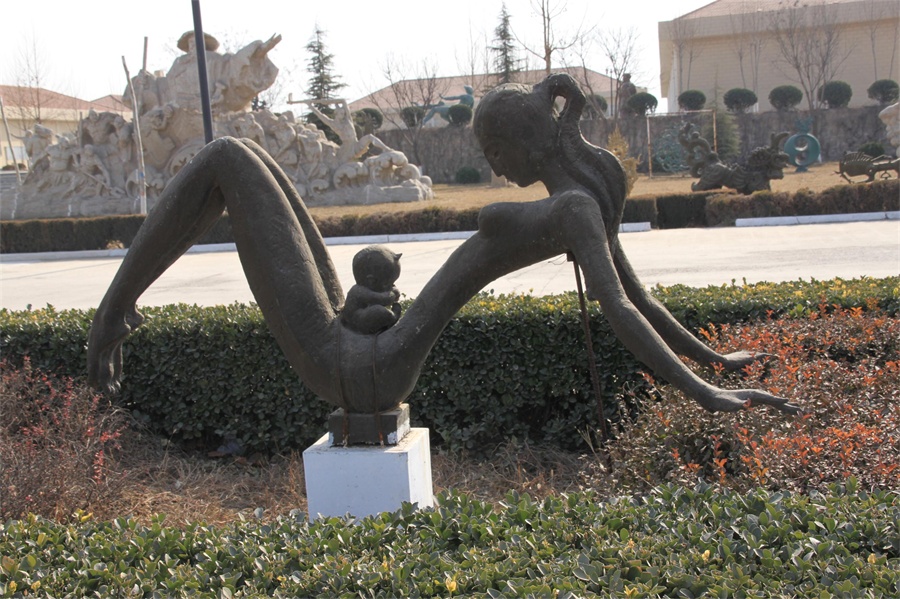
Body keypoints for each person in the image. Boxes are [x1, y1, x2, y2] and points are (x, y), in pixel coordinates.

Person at [88, 74, 799, 417]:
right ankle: (116, 308)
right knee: (246, 157)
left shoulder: (576, 208)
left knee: (224, 157)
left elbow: (623, 307)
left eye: (494, 151)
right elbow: (639, 298)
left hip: (361, 371)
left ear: (524, 140)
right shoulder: (579, 204)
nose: (494, 168)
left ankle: (111, 313)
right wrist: (711, 363)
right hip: (365, 354)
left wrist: (706, 391)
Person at [340, 246, 403, 335]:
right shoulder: (359, 291)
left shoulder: (365, 288)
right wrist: (393, 293)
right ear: (371, 280)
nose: (390, 287)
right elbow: (382, 299)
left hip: (362, 316)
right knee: (378, 311)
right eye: (386, 284)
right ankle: (393, 317)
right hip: (357, 320)